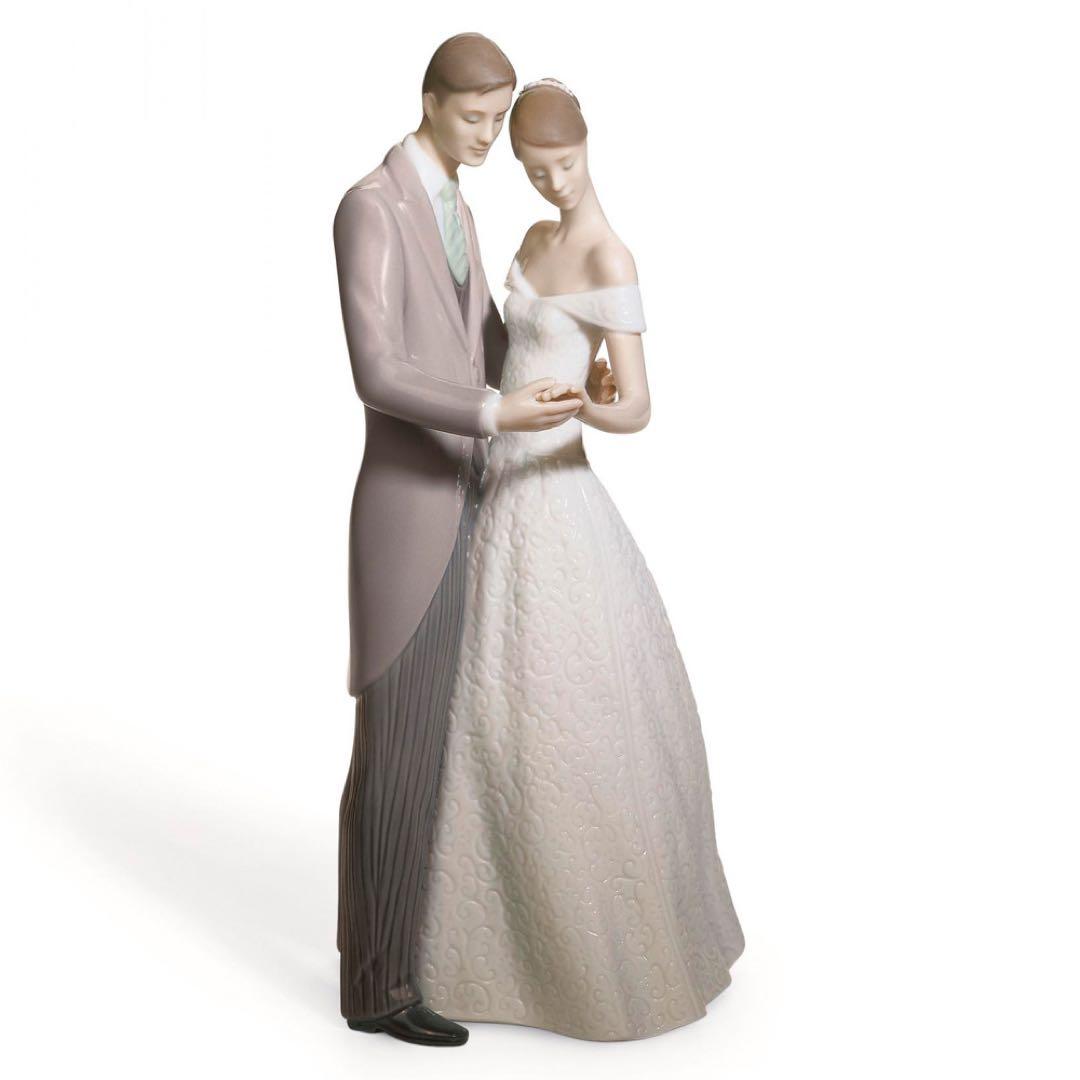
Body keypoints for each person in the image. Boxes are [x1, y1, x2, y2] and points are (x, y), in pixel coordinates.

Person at [415, 78, 745, 1041]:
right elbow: (502, 355)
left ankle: (603, 957)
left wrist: (577, 405)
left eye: (564, 164)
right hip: (496, 489)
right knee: (490, 714)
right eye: (534, 170)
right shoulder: (528, 243)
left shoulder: (609, 255)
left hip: (557, 491)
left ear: (588, 146)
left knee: (572, 711)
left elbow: (637, 406)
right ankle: (495, 942)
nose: (554, 183)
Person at [332, 41, 614, 1047]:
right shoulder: (371, 207)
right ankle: (375, 989)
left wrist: (567, 363)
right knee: (395, 753)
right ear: (428, 101)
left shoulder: (457, 204)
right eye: (473, 118)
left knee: (431, 755)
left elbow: (484, 339)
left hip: (472, 502)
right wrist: (495, 412)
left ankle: (397, 959)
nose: (490, 137)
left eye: (499, 119)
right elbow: (378, 369)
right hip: (406, 515)